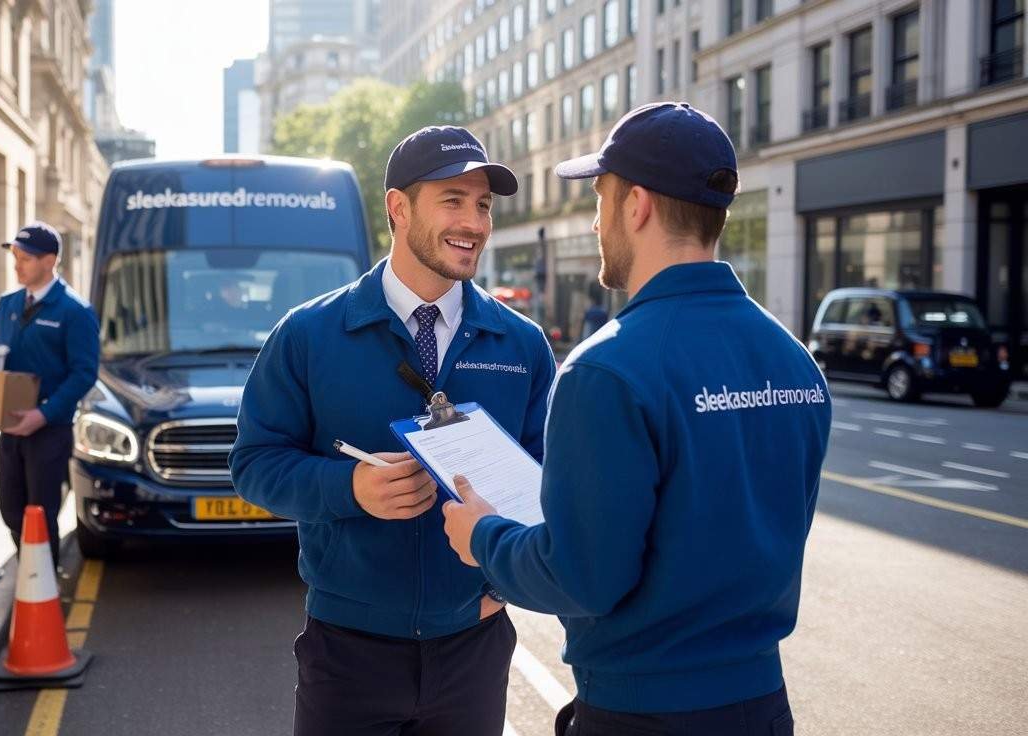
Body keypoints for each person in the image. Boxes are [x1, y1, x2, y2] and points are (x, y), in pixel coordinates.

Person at [441, 103, 832, 735]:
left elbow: (583, 578)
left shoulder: (608, 370)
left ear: (637, 205)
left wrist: (482, 535)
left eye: (600, 198)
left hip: (644, 711)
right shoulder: (793, 361)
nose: (596, 222)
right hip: (761, 706)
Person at [230, 126, 556, 736]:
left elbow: (550, 484)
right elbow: (253, 464)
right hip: (348, 653)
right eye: (453, 200)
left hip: (474, 648)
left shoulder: (522, 344)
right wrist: (349, 488)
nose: (476, 222)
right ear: (398, 209)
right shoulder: (308, 335)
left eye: (483, 204)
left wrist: (501, 583)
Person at [0, 222, 99, 567]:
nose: (17, 265)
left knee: (41, 515)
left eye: (25, 258)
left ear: (49, 261)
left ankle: (41, 588)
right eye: (15, 257)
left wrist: (43, 414)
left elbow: (84, 374)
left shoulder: (75, 311)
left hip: (48, 430)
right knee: (10, 510)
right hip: (9, 427)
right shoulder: (7, 304)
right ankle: (30, 574)